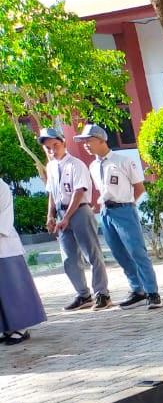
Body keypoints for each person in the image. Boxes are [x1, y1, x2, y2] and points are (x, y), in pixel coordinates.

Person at [75, 124, 163, 310]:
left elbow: (139, 188)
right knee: (119, 253)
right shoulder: (92, 166)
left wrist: (126, 204)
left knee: (137, 252)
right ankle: (137, 290)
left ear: (101, 140)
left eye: (88, 141)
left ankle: (152, 292)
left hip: (124, 210)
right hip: (106, 212)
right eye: (83, 142)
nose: (86, 145)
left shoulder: (123, 161)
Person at [40, 127, 111, 311]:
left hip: (79, 211)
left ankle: (102, 293)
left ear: (63, 142)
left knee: (92, 253)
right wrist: (51, 215)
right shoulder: (51, 166)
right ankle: (83, 294)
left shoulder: (76, 164)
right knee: (69, 258)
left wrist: (67, 217)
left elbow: (79, 192)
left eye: (55, 145)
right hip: (62, 215)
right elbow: (52, 194)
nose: (52, 150)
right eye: (48, 148)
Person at [0, 182, 46, 345]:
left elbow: (4, 216)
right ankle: (6, 327)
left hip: (4, 246)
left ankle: (22, 328)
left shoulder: (1, 186)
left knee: (14, 288)